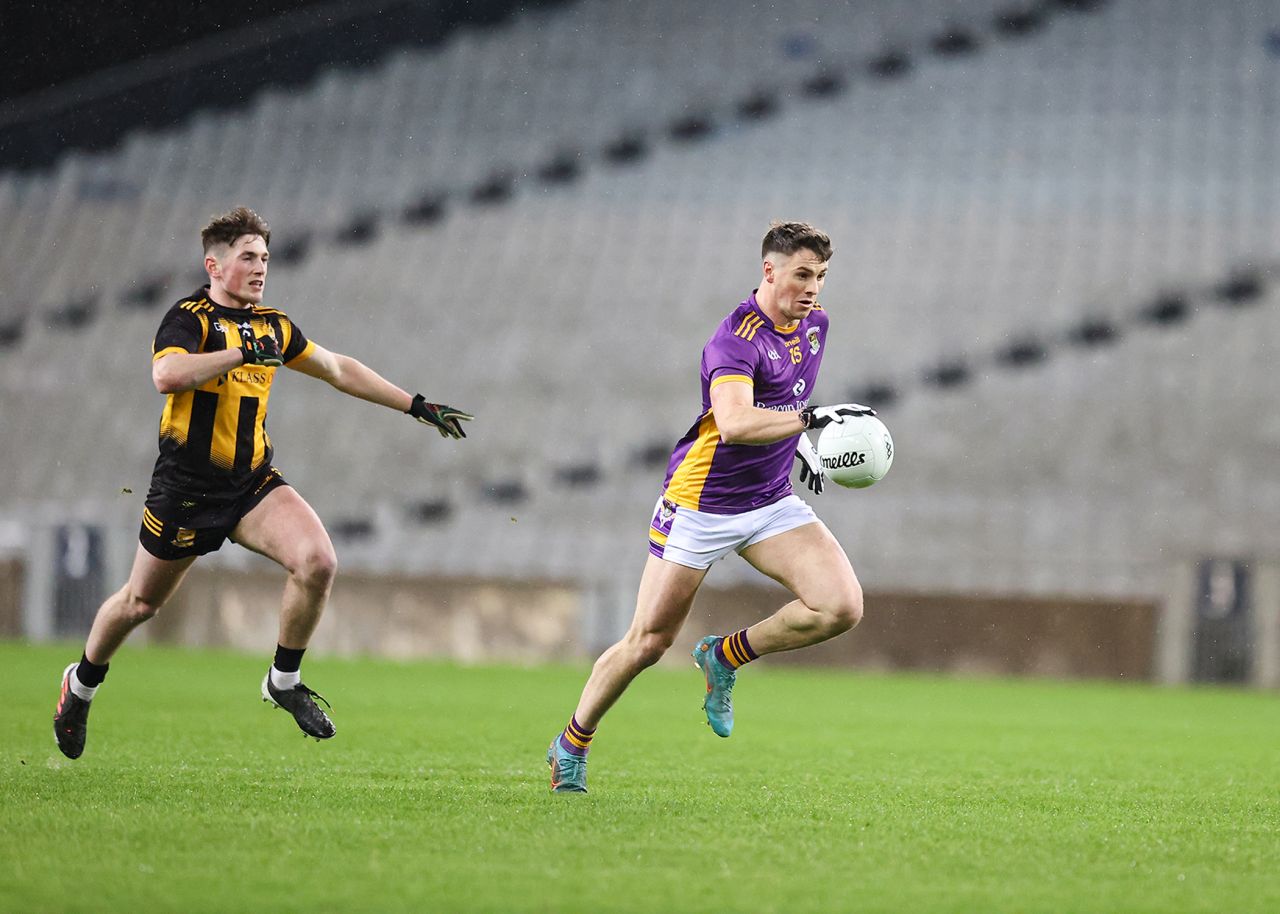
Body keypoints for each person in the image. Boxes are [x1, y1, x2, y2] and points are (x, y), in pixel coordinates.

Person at [53, 206, 472, 759]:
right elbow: (166, 375)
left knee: (318, 561)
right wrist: (236, 354)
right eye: (248, 257)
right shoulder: (189, 318)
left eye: (265, 258)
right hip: (185, 489)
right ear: (215, 265)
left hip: (252, 483)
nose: (259, 268)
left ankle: (283, 680)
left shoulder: (273, 325)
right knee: (139, 604)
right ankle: (80, 685)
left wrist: (416, 405)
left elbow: (337, 369)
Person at [547, 221, 873, 792]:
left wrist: (807, 450)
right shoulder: (735, 340)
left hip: (770, 502)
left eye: (820, 276)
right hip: (702, 504)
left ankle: (725, 656)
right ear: (769, 271)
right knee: (648, 642)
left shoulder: (814, 326)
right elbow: (737, 422)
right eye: (802, 275)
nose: (814, 288)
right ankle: (571, 743)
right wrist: (810, 422)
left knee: (840, 607)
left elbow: (786, 404)